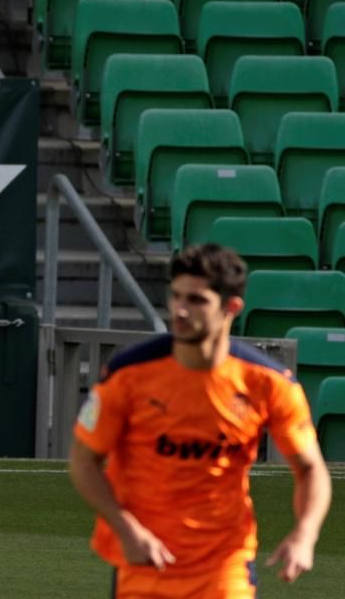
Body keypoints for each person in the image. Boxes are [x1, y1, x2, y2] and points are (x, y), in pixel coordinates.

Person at [69, 244, 332, 598]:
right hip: (144, 562)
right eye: (175, 296)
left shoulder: (268, 382)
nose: (179, 310)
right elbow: (84, 460)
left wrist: (305, 534)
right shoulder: (127, 374)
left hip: (225, 566)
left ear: (231, 308)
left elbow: (311, 469)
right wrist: (125, 528)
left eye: (196, 300)